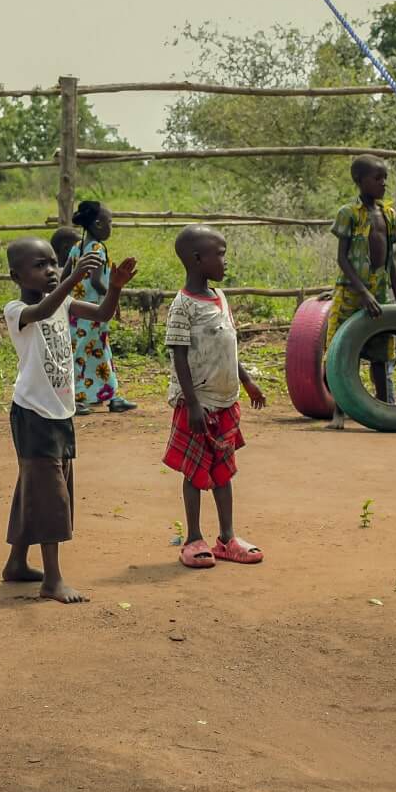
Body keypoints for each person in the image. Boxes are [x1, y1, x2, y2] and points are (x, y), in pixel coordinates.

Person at [1, 236, 137, 603]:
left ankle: (16, 563)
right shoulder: (16, 310)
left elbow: (102, 314)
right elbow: (44, 310)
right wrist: (72, 277)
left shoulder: (63, 302)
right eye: (39, 265)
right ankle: (53, 580)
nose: (49, 270)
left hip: (60, 412)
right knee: (52, 495)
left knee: (37, 488)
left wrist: (116, 289)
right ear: (16, 275)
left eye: (52, 263)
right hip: (33, 413)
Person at [164, 225, 265, 568]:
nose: (224, 261)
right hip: (198, 403)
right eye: (218, 254)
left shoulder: (220, 298)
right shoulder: (183, 305)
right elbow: (178, 355)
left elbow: (228, 345)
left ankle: (227, 538)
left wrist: (248, 382)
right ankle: (193, 538)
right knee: (195, 471)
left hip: (225, 402)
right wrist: (191, 403)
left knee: (224, 471)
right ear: (196, 259)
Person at [326, 155, 396, 424]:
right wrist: (362, 292)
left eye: (385, 178)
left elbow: (392, 262)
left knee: (381, 353)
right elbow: (342, 259)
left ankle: (385, 409)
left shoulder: (389, 215)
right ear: (359, 181)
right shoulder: (348, 214)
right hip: (351, 292)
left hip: (380, 291)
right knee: (344, 351)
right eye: (377, 178)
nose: (383, 183)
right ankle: (339, 411)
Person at [64, 201, 136, 414]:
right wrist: (113, 294)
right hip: (95, 310)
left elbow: (63, 277)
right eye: (109, 222)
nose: (111, 226)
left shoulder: (77, 247)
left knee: (97, 352)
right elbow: (96, 282)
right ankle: (76, 398)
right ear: (98, 224)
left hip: (77, 311)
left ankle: (110, 395)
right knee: (85, 352)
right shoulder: (97, 248)